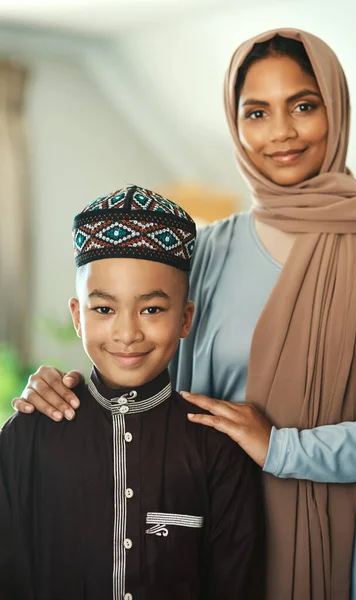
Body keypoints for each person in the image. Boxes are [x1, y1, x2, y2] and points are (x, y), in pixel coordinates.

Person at [12, 28, 356, 600]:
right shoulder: (207, 252)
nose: (282, 132)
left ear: (335, 108)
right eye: (256, 112)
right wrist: (61, 390)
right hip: (202, 522)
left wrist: (285, 449)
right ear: (235, 123)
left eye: (303, 105)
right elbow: (137, 347)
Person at [0, 185, 264, 600]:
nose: (127, 334)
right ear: (77, 317)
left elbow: (237, 583)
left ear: (185, 317)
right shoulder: (28, 435)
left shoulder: (218, 447)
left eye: (152, 309)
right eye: (104, 309)